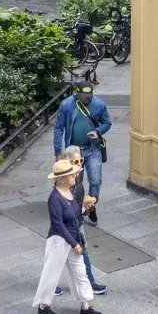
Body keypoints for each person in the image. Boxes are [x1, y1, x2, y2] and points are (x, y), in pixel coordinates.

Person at [31, 156, 99, 314]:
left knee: (80, 272)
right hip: (58, 240)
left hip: (72, 238)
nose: (75, 176)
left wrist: (85, 210)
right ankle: (43, 306)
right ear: (62, 179)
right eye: (72, 175)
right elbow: (58, 224)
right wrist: (74, 243)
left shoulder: (70, 192)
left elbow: (74, 214)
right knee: (51, 273)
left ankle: (85, 306)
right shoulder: (54, 199)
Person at [52, 82, 112, 224]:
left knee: (96, 181)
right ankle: (77, 211)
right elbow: (58, 128)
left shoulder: (99, 105)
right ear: (77, 94)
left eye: (89, 96)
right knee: (75, 184)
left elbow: (107, 123)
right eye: (84, 96)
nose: (88, 99)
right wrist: (58, 152)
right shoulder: (66, 105)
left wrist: (98, 131)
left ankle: (90, 206)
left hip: (93, 150)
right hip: (74, 152)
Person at [54, 146, 107, 295]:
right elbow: (67, 209)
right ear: (67, 163)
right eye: (75, 161)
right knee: (58, 258)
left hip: (76, 223)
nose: (79, 164)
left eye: (81, 160)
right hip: (65, 227)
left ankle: (90, 282)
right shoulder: (66, 183)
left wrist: (86, 206)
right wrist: (83, 208)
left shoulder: (76, 180)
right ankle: (50, 285)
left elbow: (76, 205)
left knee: (82, 253)